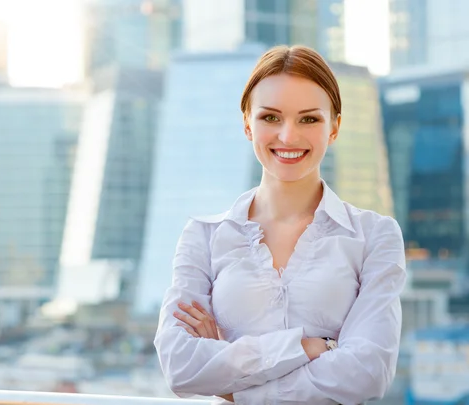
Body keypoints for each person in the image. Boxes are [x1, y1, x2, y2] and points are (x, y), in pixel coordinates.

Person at [153, 45, 406, 405]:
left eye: (309, 119)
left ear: (334, 127)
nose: (288, 137)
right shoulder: (204, 236)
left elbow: (368, 373)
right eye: (271, 118)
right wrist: (304, 347)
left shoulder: (374, 236)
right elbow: (179, 366)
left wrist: (229, 381)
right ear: (246, 123)